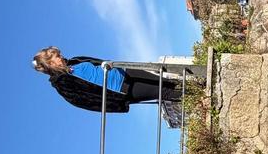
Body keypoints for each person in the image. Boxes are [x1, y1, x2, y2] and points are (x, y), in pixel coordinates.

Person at [31, 46, 179, 113]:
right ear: (50, 64)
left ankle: (199, 84)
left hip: (125, 71)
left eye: (59, 53)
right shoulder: (62, 84)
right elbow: (85, 102)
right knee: (164, 91)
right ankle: (197, 93)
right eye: (57, 56)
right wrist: (117, 105)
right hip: (122, 89)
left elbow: (98, 62)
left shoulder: (75, 61)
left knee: (166, 81)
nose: (61, 56)